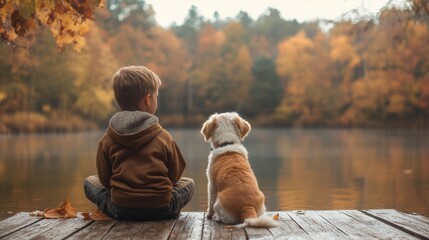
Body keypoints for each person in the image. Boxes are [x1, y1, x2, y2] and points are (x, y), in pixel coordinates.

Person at [83, 66, 195, 221]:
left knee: (90, 182)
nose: (157, 98)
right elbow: (175, 175)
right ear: (148, 99)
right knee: (189, 184)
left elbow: (105, 179)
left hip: (120, 210)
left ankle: (116, 207)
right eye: (157, 95)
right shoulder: (163, 137)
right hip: (162, 209)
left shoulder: (107, 139)